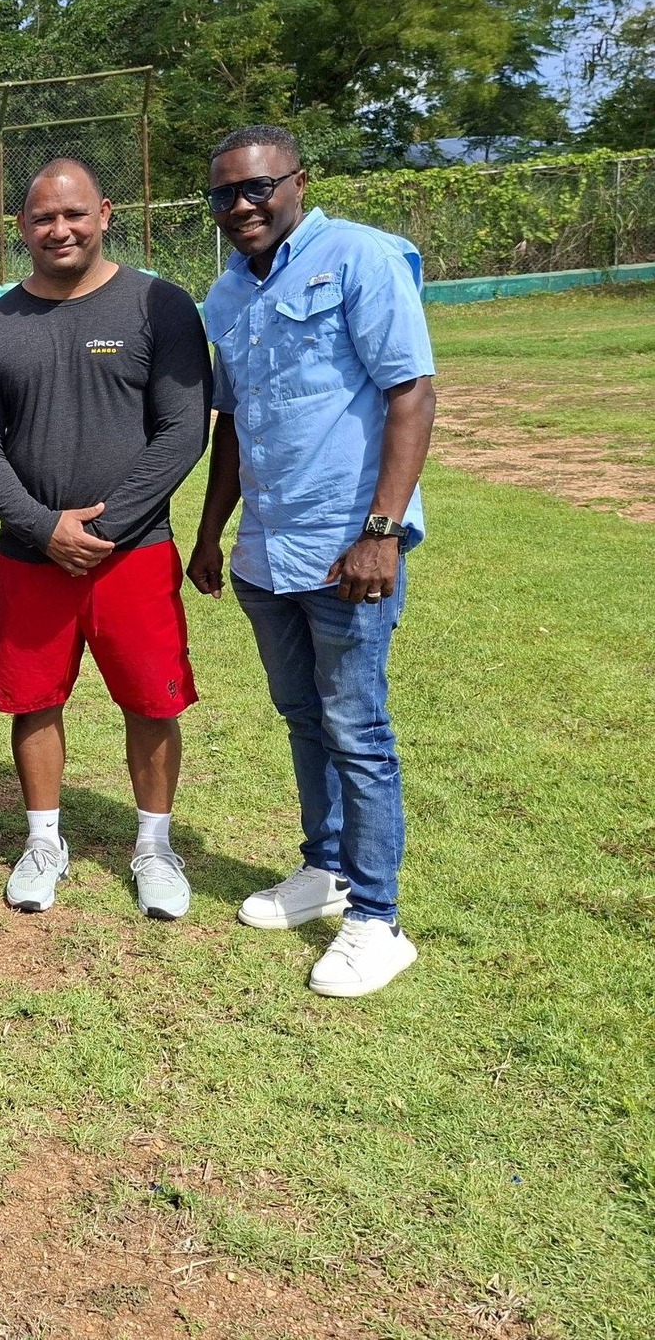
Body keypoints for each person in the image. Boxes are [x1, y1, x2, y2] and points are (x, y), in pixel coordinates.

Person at [188, 124, 436, 999]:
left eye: (256, 188)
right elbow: (232, 424)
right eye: (223, 195)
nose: (241, 207)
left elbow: (410, 391)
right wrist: (213, 530)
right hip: (267, 546)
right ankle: (324, 871)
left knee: (358, 729)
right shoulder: (224, 296)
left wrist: (382, 529)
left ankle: (378, 918)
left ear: (298, 180)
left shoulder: (360, 259)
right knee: (303, 714)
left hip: (346, 547)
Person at [0, 159, 212, 920]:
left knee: (152, 700)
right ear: (22, 228)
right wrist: (43, 526)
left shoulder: (157, 305)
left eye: (73, 214)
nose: (58, 229)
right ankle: (44, 842)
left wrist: (100, 528)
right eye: (42, 218)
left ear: (104, 213)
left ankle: (154, 846)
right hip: (30, 559)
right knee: (32, 702)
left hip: (132, 552)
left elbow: (182, 431)